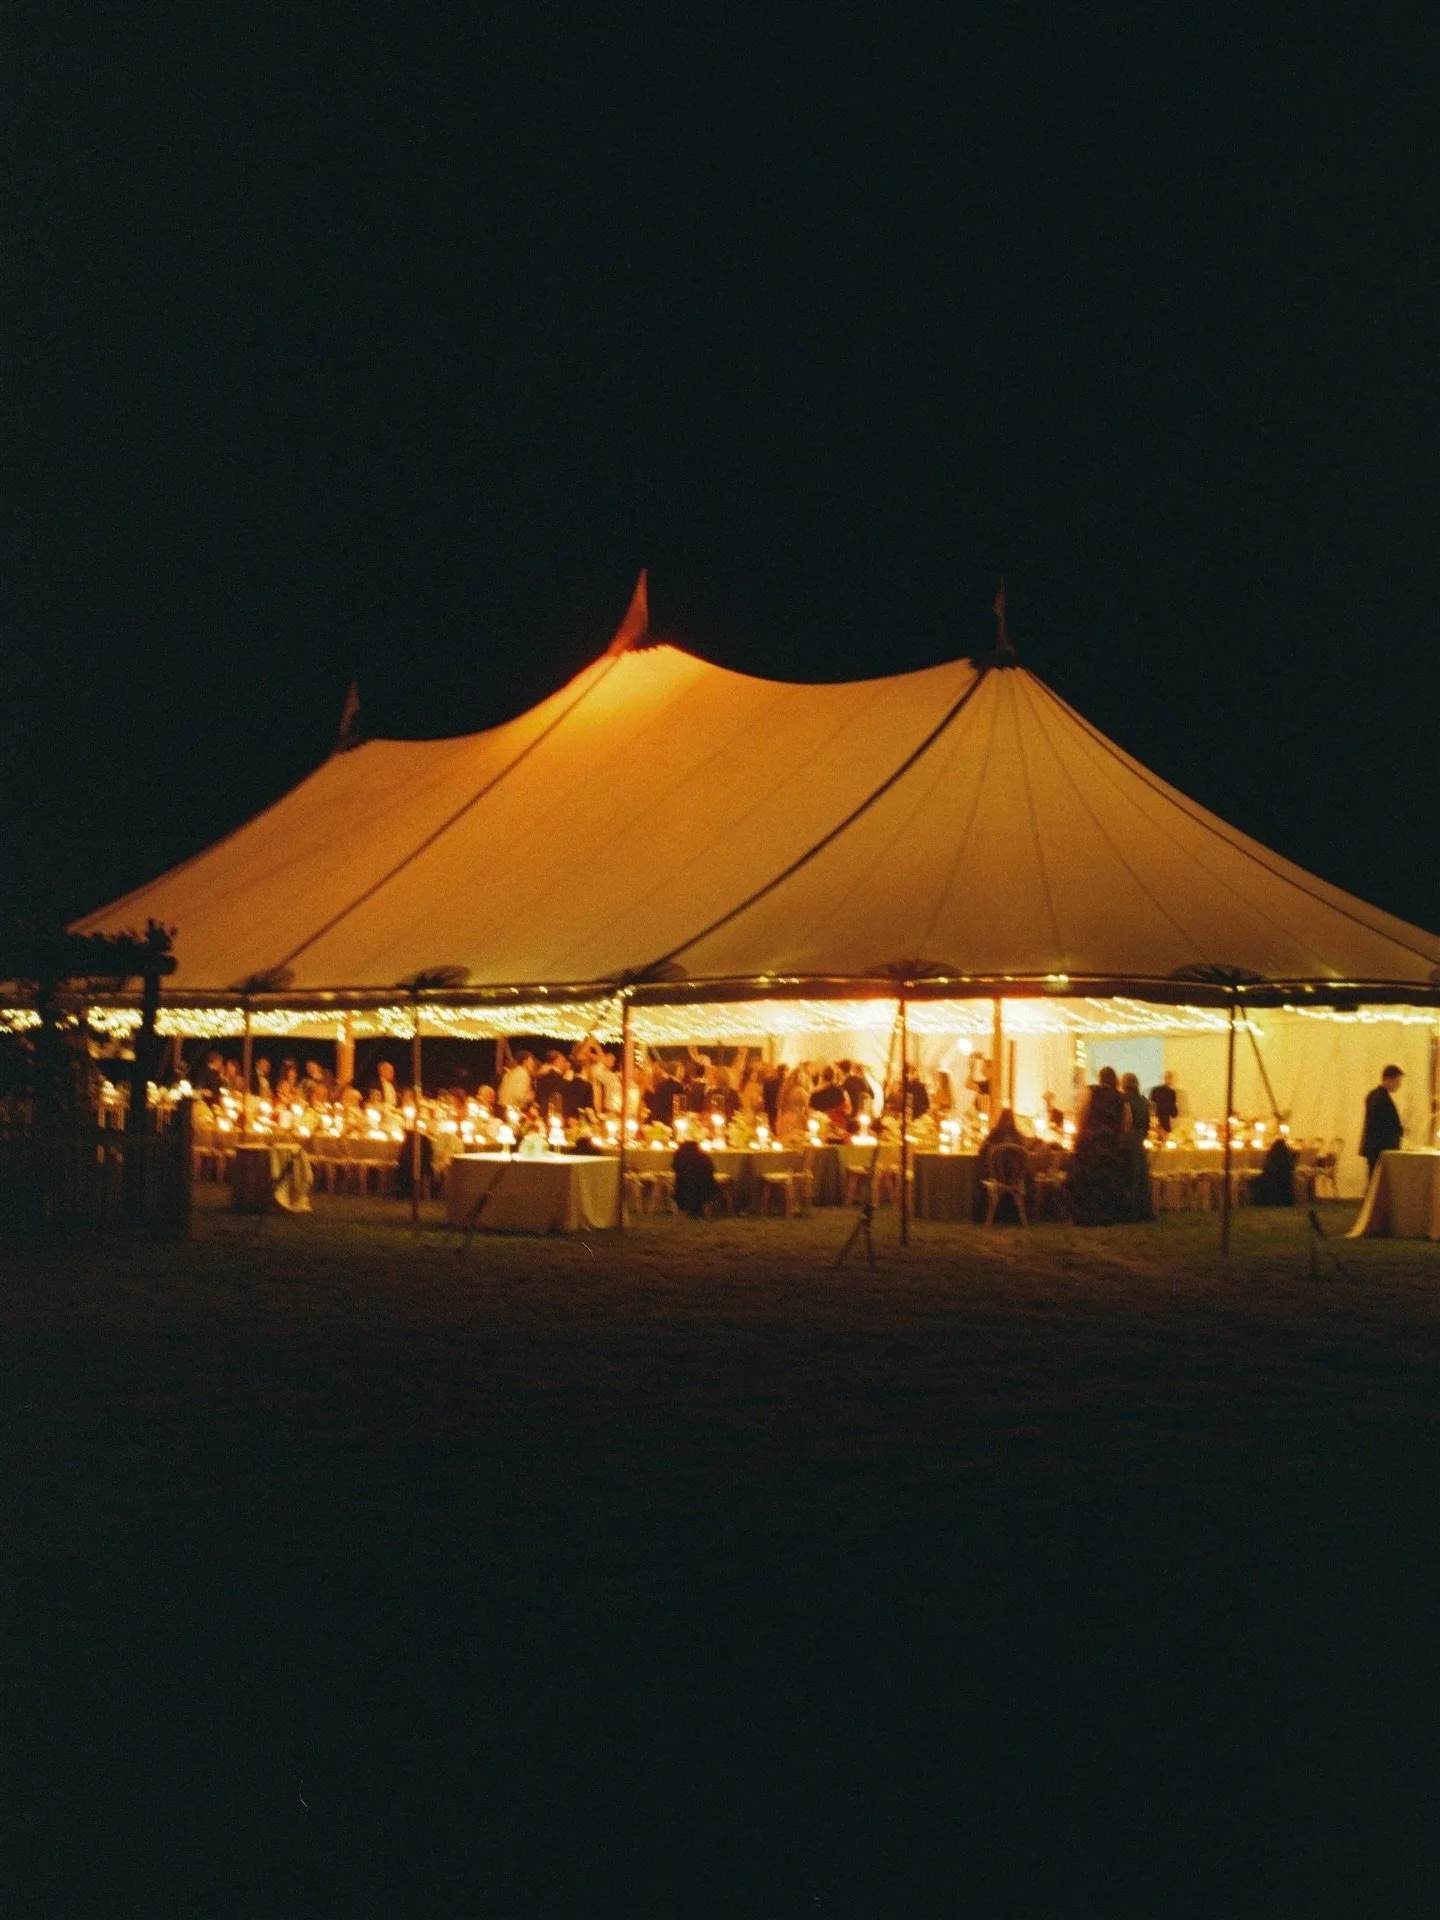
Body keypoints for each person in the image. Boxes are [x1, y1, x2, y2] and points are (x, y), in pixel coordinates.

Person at [1067, 1065, 1131, 1226]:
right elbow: (1126, 1122)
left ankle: (1085, 1216)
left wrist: (1079, 1134)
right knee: (1106, 1181)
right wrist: (1119, 1139)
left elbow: (1081, 1113)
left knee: (1087, 1180)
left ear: (1100, 1078)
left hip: (1090, 1144)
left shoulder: (1090, 1092)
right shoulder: (1121, 1098)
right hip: (1109, 1145)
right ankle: (1106, 1215)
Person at [1360, 1065, 1405, 1188]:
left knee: (1375, 1181)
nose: (1399, 1085)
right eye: (1397, 1081)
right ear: (1387, 1079)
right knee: (1377, 1182)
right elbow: (1380, 1124)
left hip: (1376, 1147)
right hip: (1380, 1148)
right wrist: (1398, 1130)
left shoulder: (1376, 1096)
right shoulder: (1380, 1098)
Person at [1119, 1073, 1154, 1221]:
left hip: (1128, 1139)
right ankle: (1144, 1210)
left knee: (1129, 1176)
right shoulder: (1143, 1101)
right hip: (1140, 1139)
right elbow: (1147, 1124)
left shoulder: (1124, 1100)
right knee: (1141, 1177)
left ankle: (1130, 1211)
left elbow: (1125, 1121)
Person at [672, 1138, 720, 1218]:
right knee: (706, 1194)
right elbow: (711, 1170)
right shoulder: (704, 1157)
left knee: (681, 1189)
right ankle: (707, 1215)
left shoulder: (679, 1157)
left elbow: (675, 1169)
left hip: (684, 1187)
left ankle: (682, 1215)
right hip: (704, 1187)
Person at [1150, 1070, 1180, 1136]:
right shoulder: (1171, 1093)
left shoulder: (1154, 1090)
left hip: (1154, 1125)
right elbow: (1174, 1113)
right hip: (1165, 1125)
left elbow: (1151, 1108)